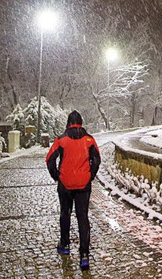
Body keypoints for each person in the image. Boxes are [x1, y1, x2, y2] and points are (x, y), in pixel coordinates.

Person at [45, 110, 101, 270]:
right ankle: (84, 255)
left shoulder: (61, 140)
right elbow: (97, 160)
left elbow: (49, 159)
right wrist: (90, 175)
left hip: (65, 183)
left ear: (68, 123)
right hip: (83, 184)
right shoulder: (89, 140)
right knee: (83, 217)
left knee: (65, 213)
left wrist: (57, 176)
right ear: (81, 122)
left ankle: (65, 244)